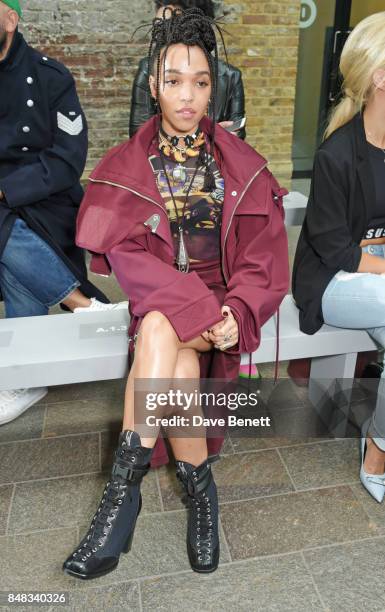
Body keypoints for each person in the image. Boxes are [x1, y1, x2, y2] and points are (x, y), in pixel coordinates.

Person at [63, 8, 288, 580]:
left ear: (215, 87)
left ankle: (121, 497)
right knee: (171, 353)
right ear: (154, 86)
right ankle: (201, 500)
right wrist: (203, 309)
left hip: (221, 316)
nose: (188, 96)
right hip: (170, 307)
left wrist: (235, 311)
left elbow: (265, 258)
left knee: (161, 337)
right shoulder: (126, 168)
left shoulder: (241, 166)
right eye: (173, 81)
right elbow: (131, 264)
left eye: (201, 82)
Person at [0, 0, 127, 425]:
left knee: (4, 233)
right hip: (9, 215)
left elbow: (69, 159)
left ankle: (25, 376)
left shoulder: (51, 77)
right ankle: (82, 304)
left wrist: (6, 188)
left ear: (11, 19)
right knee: (5, 237)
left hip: (48, 203)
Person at [292, 12, 385, 503]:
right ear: (380, 76)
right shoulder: (336, 155)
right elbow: (337, 251)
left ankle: (378, 444)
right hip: (329, 283)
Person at [129, 0, 247, 141]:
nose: (162, 34)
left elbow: (237, 135)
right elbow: (138, 135)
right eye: (158, 25)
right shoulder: (149, 69)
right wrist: (205, 135)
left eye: (201, 83)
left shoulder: (230, 75)